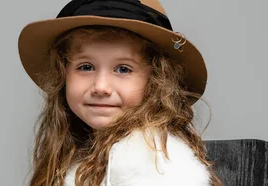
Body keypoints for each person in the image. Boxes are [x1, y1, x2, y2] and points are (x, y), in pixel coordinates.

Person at [17, 0, 221, 185]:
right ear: (63, 75)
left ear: (156, 82)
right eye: (86, 67)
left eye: (123, 69)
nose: (101, 87)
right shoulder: (80, 158)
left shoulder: (153, 165)